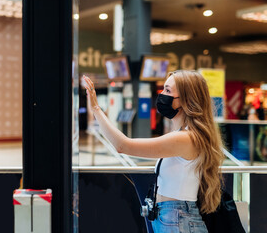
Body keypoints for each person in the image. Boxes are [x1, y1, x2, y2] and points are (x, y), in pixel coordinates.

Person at [83, 70, 225, 233]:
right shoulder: (184, 135)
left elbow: (123, 146)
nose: (161, 95)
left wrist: (95, 109)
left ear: (186, 100)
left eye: (168, 90)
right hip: (175, 218)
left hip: (178, 219)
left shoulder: (186, 138)